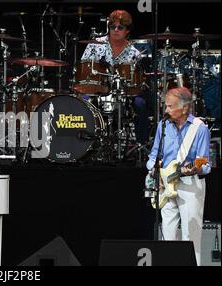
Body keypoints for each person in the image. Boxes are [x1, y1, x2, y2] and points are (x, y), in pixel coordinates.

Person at [146, 87, 211, 265]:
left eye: (169, 106)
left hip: (189, 184)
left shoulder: (199, 128)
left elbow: (204, 164)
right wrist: (154, 169)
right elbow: (153, 156)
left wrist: (196, 168)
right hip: (165, 185)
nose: (165, 110)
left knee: (191, 237)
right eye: (165, 106)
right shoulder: (163, 125)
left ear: (184, 108)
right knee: (167, 236)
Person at [80, 10, 149, 144]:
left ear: (127, 31)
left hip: (124, 94)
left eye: (120, 27)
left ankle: (142, 145)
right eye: (112, 27)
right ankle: (83, 143)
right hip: (96, 90)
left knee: (140, 104)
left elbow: (137, 80)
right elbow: (84, 70)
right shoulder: (95, 44)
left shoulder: (134, 53)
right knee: (83, 101)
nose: (116, 30)